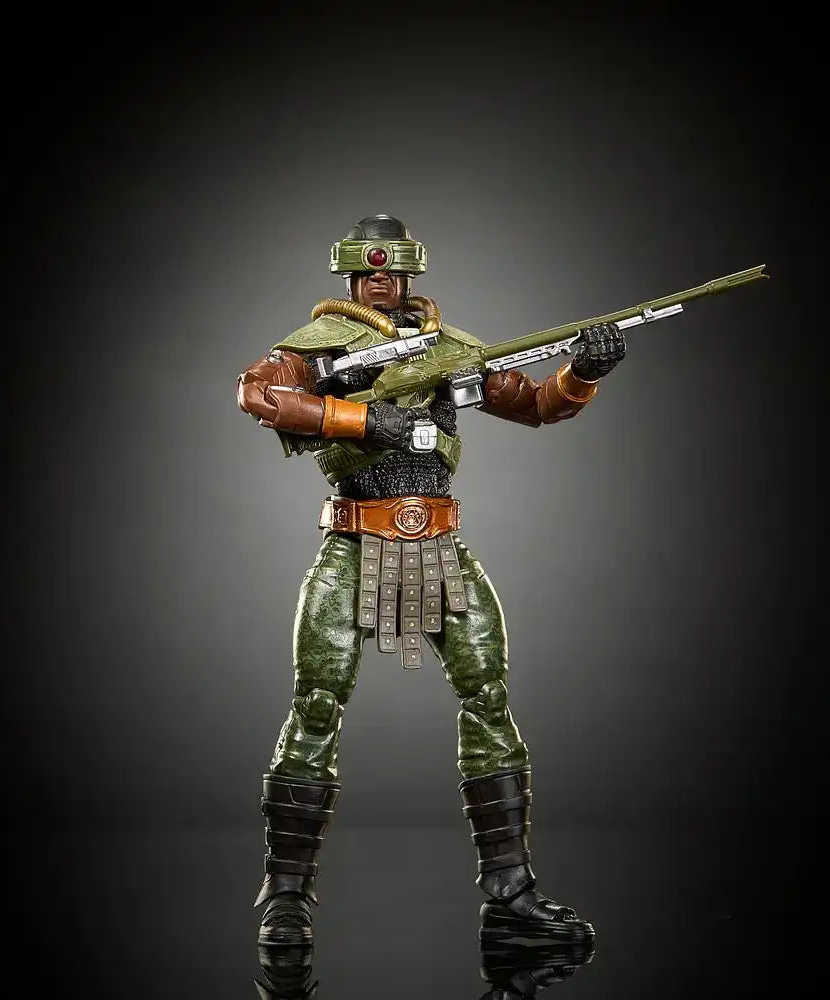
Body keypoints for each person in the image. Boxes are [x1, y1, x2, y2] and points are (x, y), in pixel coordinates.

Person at [237, 215, 626, 947]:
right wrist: (361, 421)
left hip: (440, 543)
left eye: (392, 268)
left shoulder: (451, 349)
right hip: (354, 542)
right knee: (315, 706)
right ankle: (285, 896)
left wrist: (584, 372)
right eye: (367, 269)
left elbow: (537, 405)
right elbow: (258, 395)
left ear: (411, 272)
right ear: (350, 275)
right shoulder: (318, 346)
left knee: (488, 697)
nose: (380, 279)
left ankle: (510, 892)